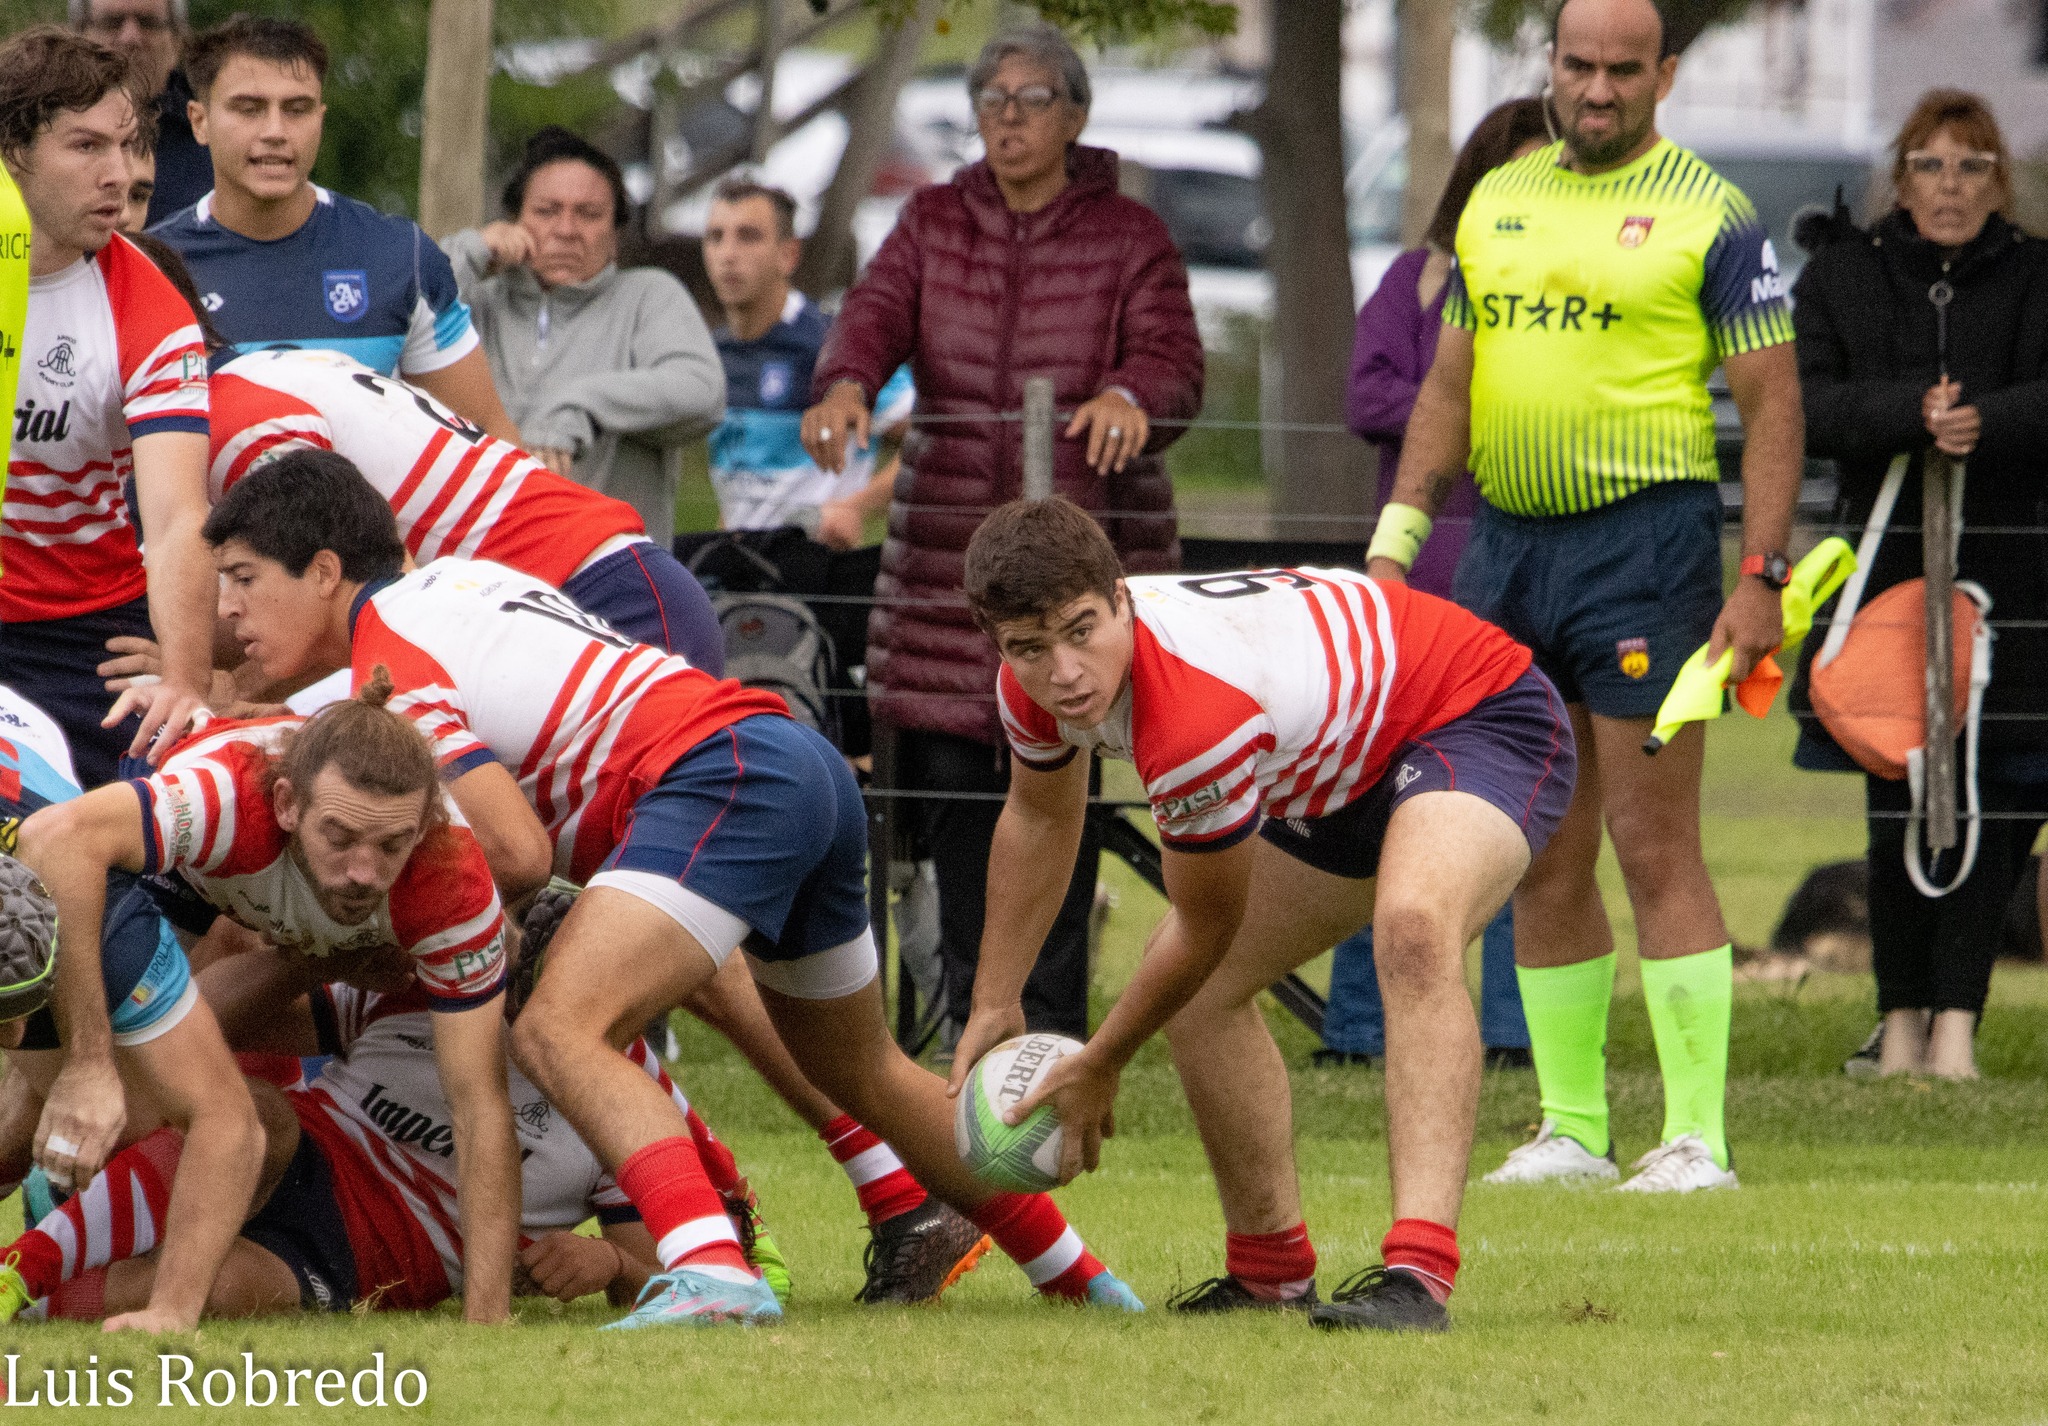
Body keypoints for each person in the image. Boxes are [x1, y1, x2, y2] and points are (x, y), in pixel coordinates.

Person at [201, 451, 1143, 1328]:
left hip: (723, 774)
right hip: (794, 761)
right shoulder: (462, 579)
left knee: (559, 1026)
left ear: (324, 572)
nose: (227, 608)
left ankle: (710, 1270)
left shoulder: (392, 658)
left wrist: (395, 942)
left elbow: (521, 855)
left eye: (243, 577)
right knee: (864, 1072)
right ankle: (1088, 1285)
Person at [954, 497, 1573, 1332]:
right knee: (1200, 997)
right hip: (1337, 766)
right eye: (1028, 648)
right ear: (999, 644)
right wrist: (995, 996)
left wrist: (1103, 1058)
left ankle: (1417, 1280)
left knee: (1415, 928)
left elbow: (1205, 926)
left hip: (1473, 711)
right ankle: (1270, 1273)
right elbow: (1040, 817)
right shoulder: (1033, 688)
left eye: (1081, 630)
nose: (1063, 671)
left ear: (1123, 598)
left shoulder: (1191, 718)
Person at [1375, 0, 1804, 1193]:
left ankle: (1696, 1137)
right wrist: (1395, 545)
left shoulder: (1711, 210)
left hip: (1644, 547)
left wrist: (1758, 574)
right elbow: (1448, 385)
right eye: (1579, 66)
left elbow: (1771, 403)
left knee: (1650, 838)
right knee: (1533, 849)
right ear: (1548, 66)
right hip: (1503, 553)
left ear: (1663, 75)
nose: (1599, 90)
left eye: (1625, 70)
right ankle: (1570, 1124)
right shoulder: (1495, 200)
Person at [804, 25, 1203, 1043]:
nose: (1009, 119)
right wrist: (845, 381)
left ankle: (1057, 1039)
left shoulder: (1129, 235)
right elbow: (875, 311)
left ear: (1075, 115)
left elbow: (1173, 362)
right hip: (945, 582)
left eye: (1031, 100)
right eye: (992, 101)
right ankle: (969, 1037)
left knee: (1063, 811)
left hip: (1083, 573)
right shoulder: (933, 221)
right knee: (949, 811)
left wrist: (1130, 396)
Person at [15, 685, 524, 1322]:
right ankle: (63, 1235)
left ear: (422, 828)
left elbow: (480, 1105)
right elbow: (55, 839)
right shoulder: (229, 798)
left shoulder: (449, 885)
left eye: (391, 846)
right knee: (154, 1108)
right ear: (287, 804)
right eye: (339, 836)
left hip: (265, 906)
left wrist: (488, 1316)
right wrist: (86, 1065)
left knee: (194, 1116)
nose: (364, 870)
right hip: (185, 872)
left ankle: (71, 1246)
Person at [12, 934, 774, 1321]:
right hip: (303, 1150)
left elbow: (665, 1270)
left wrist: (607, 1267)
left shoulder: (629, 1098)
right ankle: (26, 1260)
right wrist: (307, 959)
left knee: (221, 1290)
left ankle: (40, 1295)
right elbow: (206, 1024)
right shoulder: (436, 993)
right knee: (251, 1115)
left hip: (363, 1259)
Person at [1789, 89, 2048, 1081]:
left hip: (2013, 580)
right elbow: (1805, 401)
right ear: (1899, 175)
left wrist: (1983, 420)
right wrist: (1907, 411)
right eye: (1931, 165)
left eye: (1970, 166)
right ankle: (1897, 1021)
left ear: (1996, 179)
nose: (1949, 186)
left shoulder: (2033, 276)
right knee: (1894, 796)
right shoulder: (1843, 276)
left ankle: (1955, 1027)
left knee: (1996, 805)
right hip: (1889, 577)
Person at [1325, 96, 1555, 1070]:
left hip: (1515, 578)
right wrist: (1454, 404)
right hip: (1415, 576)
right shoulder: (1414, 281)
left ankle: (1503, 1027)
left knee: (1493, 809)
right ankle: (1354, 1027)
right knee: (1371, 792)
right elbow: (1366, 392)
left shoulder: (1568, 290)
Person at [0, 684, 262, 1334]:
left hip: (132, 827)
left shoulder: (103, 924)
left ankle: (63, 1200)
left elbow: (232, 1128)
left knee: (220, 1128)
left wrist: (88, 1064)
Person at [0, 28, 215, 787]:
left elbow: (177, 517)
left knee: (121, 849)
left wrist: (187, 681)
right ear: (15, 150)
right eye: (86, 147)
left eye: (125, 146)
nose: (118, 176)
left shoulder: (149, 310)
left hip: (81, 630)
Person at [152, 16, 516, 443]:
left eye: (297, 109)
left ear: (320, 119)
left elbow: (489, 440)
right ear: (199, 121)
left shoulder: (399, 257)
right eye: (249, 109)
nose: (275, 131)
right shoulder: (149, 266)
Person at [445, 126, 725, 540]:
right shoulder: (475, 300)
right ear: (514, 220)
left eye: (589, 214)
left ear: (614, 236)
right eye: (546, 211)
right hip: (474, 574)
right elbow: (392, 326)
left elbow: (702, 390)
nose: (567, 229)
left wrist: (578, 405)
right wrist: (472, 251)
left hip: (607, 583)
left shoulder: (648, 296)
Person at [704, 176, 912, 549]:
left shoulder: (838, 346)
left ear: (788, 255)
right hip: (736, 579)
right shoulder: (711, 354)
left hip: (818, 577)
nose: (728, 253)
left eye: (748, 236)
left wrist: (855, 508)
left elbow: (929, 437)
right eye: (716, 237)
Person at [70, 0, 210, 226]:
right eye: (112, 23)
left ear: (178, 39)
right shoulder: (38, 129)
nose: (130, 38)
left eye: (148, 23)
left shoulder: (213, 137)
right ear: (77, 35)